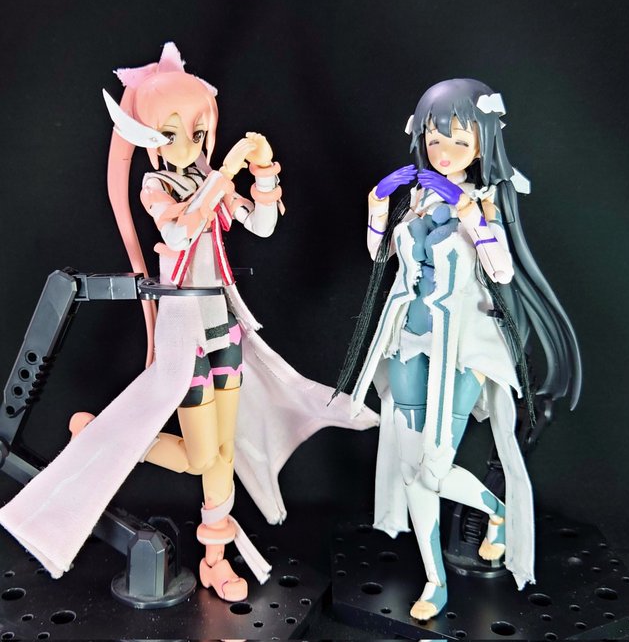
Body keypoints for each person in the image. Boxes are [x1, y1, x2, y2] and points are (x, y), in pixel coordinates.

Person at [0, 43, 377, 602]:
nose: (189, 143)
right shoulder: (157, 187)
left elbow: (262, 224)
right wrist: (223, 174)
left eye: (198, 131)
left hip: (225, 329)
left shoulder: (207, 179)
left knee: (223, 455)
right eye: (172, 132)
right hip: (186, 337)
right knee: (201, 456)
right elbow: (178, 233)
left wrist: (263, 171)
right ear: (150, 138)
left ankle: (214, 560)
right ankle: (104, 436)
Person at [336, 78, 581, 620]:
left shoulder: (486, 202)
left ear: (482, 145)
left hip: (462, 349)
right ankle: (435, 580)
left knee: (432, 468)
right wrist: (377, 205)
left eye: (459, 142)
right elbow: (380, 256)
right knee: (410, 467)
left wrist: (473, 217)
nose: (444, 153)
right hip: (408, 338)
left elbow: (503, 271)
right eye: (434, 141)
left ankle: (498, 511)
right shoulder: (418, 198)